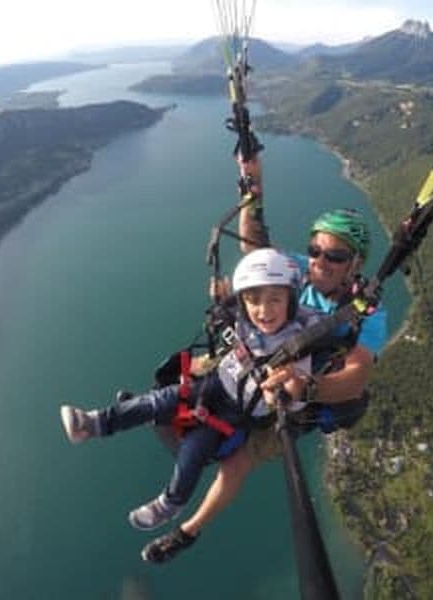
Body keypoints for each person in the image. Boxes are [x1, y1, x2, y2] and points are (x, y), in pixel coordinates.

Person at [143, 207, 387, 562]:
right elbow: (254, 248)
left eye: (335, 256)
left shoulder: (369, 313)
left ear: (356, 262)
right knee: (186, 376)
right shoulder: (300, 268)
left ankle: (186, 531)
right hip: (255, 356)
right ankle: (139, 411)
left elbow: (356, 377)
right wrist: (250, 180)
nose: (319, 262)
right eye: (316, 250)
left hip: (294, 390)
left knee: (238, 462)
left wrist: (306, 387)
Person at [59, 248, 319, 535]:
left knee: (195, 448)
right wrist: (222, 300)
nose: (264, 310)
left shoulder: (295, 345)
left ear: (291, 302)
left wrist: (287, 391)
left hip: (236, 413)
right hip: (216, 384)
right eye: (253, 300)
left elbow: (295, 395)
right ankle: (94, 423)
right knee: (163, 399)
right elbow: (228, 312)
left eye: (275, 300)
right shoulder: (245, 319)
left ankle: (171, 502)